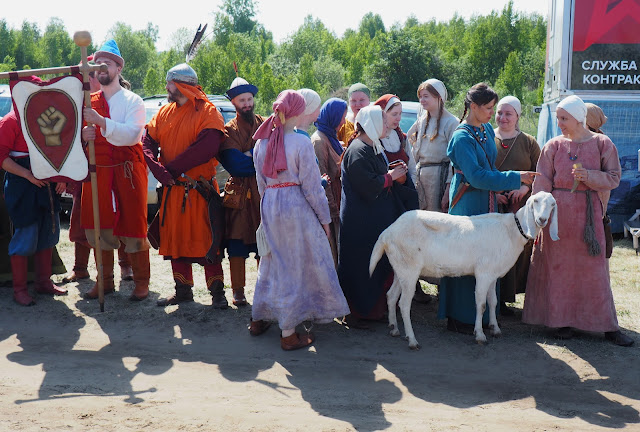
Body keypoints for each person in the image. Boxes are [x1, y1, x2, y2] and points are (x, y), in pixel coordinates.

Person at [522, 95, 633, 347]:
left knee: (594, 273)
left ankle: (606, 325)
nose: (559, 122)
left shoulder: (602, 143)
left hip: (588, 218)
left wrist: (589, 176)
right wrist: (540, 215)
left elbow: (614, 177)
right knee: (558, 270)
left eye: (564, 118)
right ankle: (561, 321)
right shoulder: (553, 146)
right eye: (558, 118)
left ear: (579, 117)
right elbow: (542, 184)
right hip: (557, 220)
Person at [250, 90, 350, 350]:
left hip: (270, 203)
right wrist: (325, 220)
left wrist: (267, 210)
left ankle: (259, 317)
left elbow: (261, 184)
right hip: (294, 205)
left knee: (273, 260)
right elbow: (312, 188)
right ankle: (288, 333)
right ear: (297, 111)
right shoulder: (300, 142)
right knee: (295, 263)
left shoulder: (261, 142)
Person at [439, 83, 536, 334]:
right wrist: (517, 178)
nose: (493, 113)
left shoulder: (482, 130)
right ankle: (460, 316)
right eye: (489, 108)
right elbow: (477, 177)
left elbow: (489, 169)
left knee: (484, 259)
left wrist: (501, 189)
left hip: (486, 201)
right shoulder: (461, 137)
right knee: (463, 257)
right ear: (473, 107)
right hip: (468, 203)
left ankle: (481, 314)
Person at [143, 63, 228, 308]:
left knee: (208, 241)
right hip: (173, 191)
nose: (166, 88)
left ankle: (218, 294)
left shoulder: (207, 111)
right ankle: (183, 290)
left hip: (199, 191)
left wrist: (168, 170)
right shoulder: (164, 113)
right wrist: (157, 169)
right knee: (175, 241)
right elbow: (146, 141)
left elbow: (207, 147)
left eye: (169, 83)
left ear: (179, 85)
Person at [80, 40, 150, 301]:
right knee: (100, 229)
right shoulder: (89, 101)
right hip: (98, 173)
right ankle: (105, 281)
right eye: (97, 63)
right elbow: (81, 138)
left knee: (133, 227)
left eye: (106, 63)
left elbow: (133, 135)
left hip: (127, 172)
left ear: (118, 68)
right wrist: (85, 133)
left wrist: (100, 122)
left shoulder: (134, 101)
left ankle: (141, 282)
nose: (100, 68)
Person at [338, 105, 418, 328]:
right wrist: (390, 177)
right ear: (372, 124)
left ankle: (373, 311)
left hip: (374, 219)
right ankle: (357, 313)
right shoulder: (357, 150)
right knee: (361, 265)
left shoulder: (372, 146)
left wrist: (393, 173)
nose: (387, 125)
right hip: (360, 221)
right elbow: (366, 184)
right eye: (382, 121)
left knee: (376, 264)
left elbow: (378, 174)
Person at [63, 58, 133, 284]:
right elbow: (69, 138)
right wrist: (82, 137)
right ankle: (81, 268)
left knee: (118, 218)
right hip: (86, 171)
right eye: (89, 75)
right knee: (84, 220)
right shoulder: (80, 104)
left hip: (115, 169)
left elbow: (128, 133)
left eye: (92, 75)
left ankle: (125, 266)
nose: (89, 79)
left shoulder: (119, 100)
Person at [0, 107, 68, 305]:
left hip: (47, 184)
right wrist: (28, 175)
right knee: (25, 235)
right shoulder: (10, 121)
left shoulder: (45, 116)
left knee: (49, 232)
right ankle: (19, 290)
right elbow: (1, 156)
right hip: (21, 186)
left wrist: (61, 177)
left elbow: (60, 147)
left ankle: (43, 282)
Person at [218, 77, 264, 307]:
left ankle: (264, 290)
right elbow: (236, 165)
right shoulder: (228, 131)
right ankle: (238, 292)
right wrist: (258, 155)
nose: (247, 104)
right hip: (238, 196)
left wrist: (249, 154)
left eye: (249, 99)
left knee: (264, 245)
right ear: (234, 103)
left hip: (264, 194)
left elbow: (274, 158)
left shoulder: (266, 124)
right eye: (241, 100)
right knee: (237, 244)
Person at [494, 96, 541, 314]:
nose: (503, 117)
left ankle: (507, 297)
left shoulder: (529, 142)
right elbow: (479, 171)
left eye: (508, 113)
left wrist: (524, 189)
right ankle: (493, 297)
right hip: (492, 205)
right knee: (493, 250)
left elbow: (541, 174)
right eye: (499, 112)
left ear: (518, 116)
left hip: (519, 208)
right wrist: (493, 192)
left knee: (516, 251)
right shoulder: (486, 137)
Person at [407, 79, 459, 212]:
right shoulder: (422, 120)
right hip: (421, 177)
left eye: (426, 96)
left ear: (439, 97)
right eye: (420, 97)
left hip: (438, 179)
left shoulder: (451, 122)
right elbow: (411, 142)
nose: (422, 100)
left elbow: (454, 161)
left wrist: (448, 190)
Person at [312, 98, 348, 265]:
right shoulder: (319, 141)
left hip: (339, 197)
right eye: (341, 117)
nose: (343, 122)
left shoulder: (331, 137)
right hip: (331, 201)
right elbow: (322, 175)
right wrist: (331, 209)